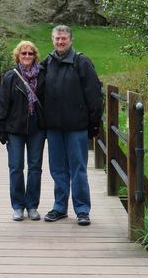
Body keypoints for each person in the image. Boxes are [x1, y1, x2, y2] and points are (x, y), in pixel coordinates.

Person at [41, 25, 102, 226]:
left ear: (70, 40)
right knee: (57, 169)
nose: (60, 42)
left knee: (78, 169)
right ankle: (59, 207)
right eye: (57, 39)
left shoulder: (82, 62)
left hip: (76, 126)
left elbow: (94, 95)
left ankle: (82, 209)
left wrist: (94, 123)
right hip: (54, 127)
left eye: (63, 39)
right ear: (52, 40)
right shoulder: (47, 62)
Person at [0, 40, 46, 221]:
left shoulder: (42, 75)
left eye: (30, 53)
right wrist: (2, 130)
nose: (27, 56)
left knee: (35, 168)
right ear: (18, 56)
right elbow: (2, 104)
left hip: (37, 128)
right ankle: (18, 206)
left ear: (35, 56)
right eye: (23, 53)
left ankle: (32, 205)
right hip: (15, 128)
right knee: (16, 168)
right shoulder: (11, 76)